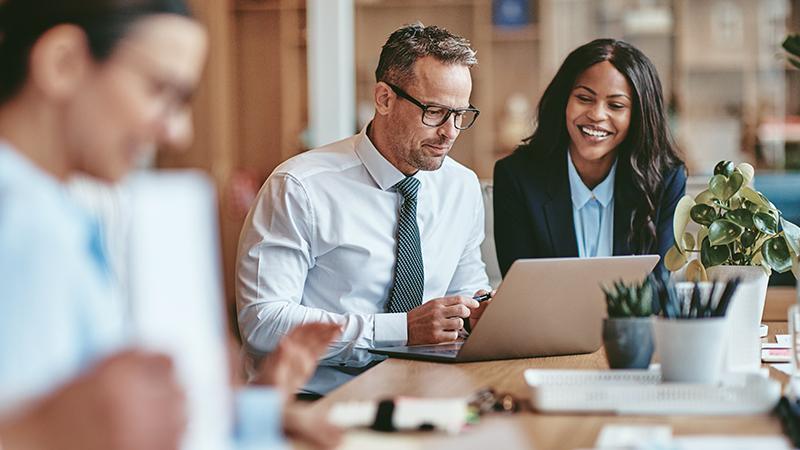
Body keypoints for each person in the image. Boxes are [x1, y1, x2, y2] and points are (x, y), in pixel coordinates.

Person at [0, 1, 340, 448]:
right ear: (63, 63)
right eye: (161, 91)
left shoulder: (67, 213)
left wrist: (248, 411)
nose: (178, 133)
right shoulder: (23, 222)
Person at [237, 22, 492, 395]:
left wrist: (483, 311)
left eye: (460, 114)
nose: (450, 132)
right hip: (314, 400)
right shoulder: (300, 186)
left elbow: (467, 288)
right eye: (435, 112)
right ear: (384, 98)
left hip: (425, 394)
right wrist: (400, 330)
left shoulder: (462, 186)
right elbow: (262, 323)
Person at [493, 38, 686, 276]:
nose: (597, 115)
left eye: (616, 105)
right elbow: (521, 289)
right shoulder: (516, 178)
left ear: (638, 116)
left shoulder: (665, 179)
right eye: (584, 99)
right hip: (550, 315)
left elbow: (659, 289)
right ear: (563, 100)